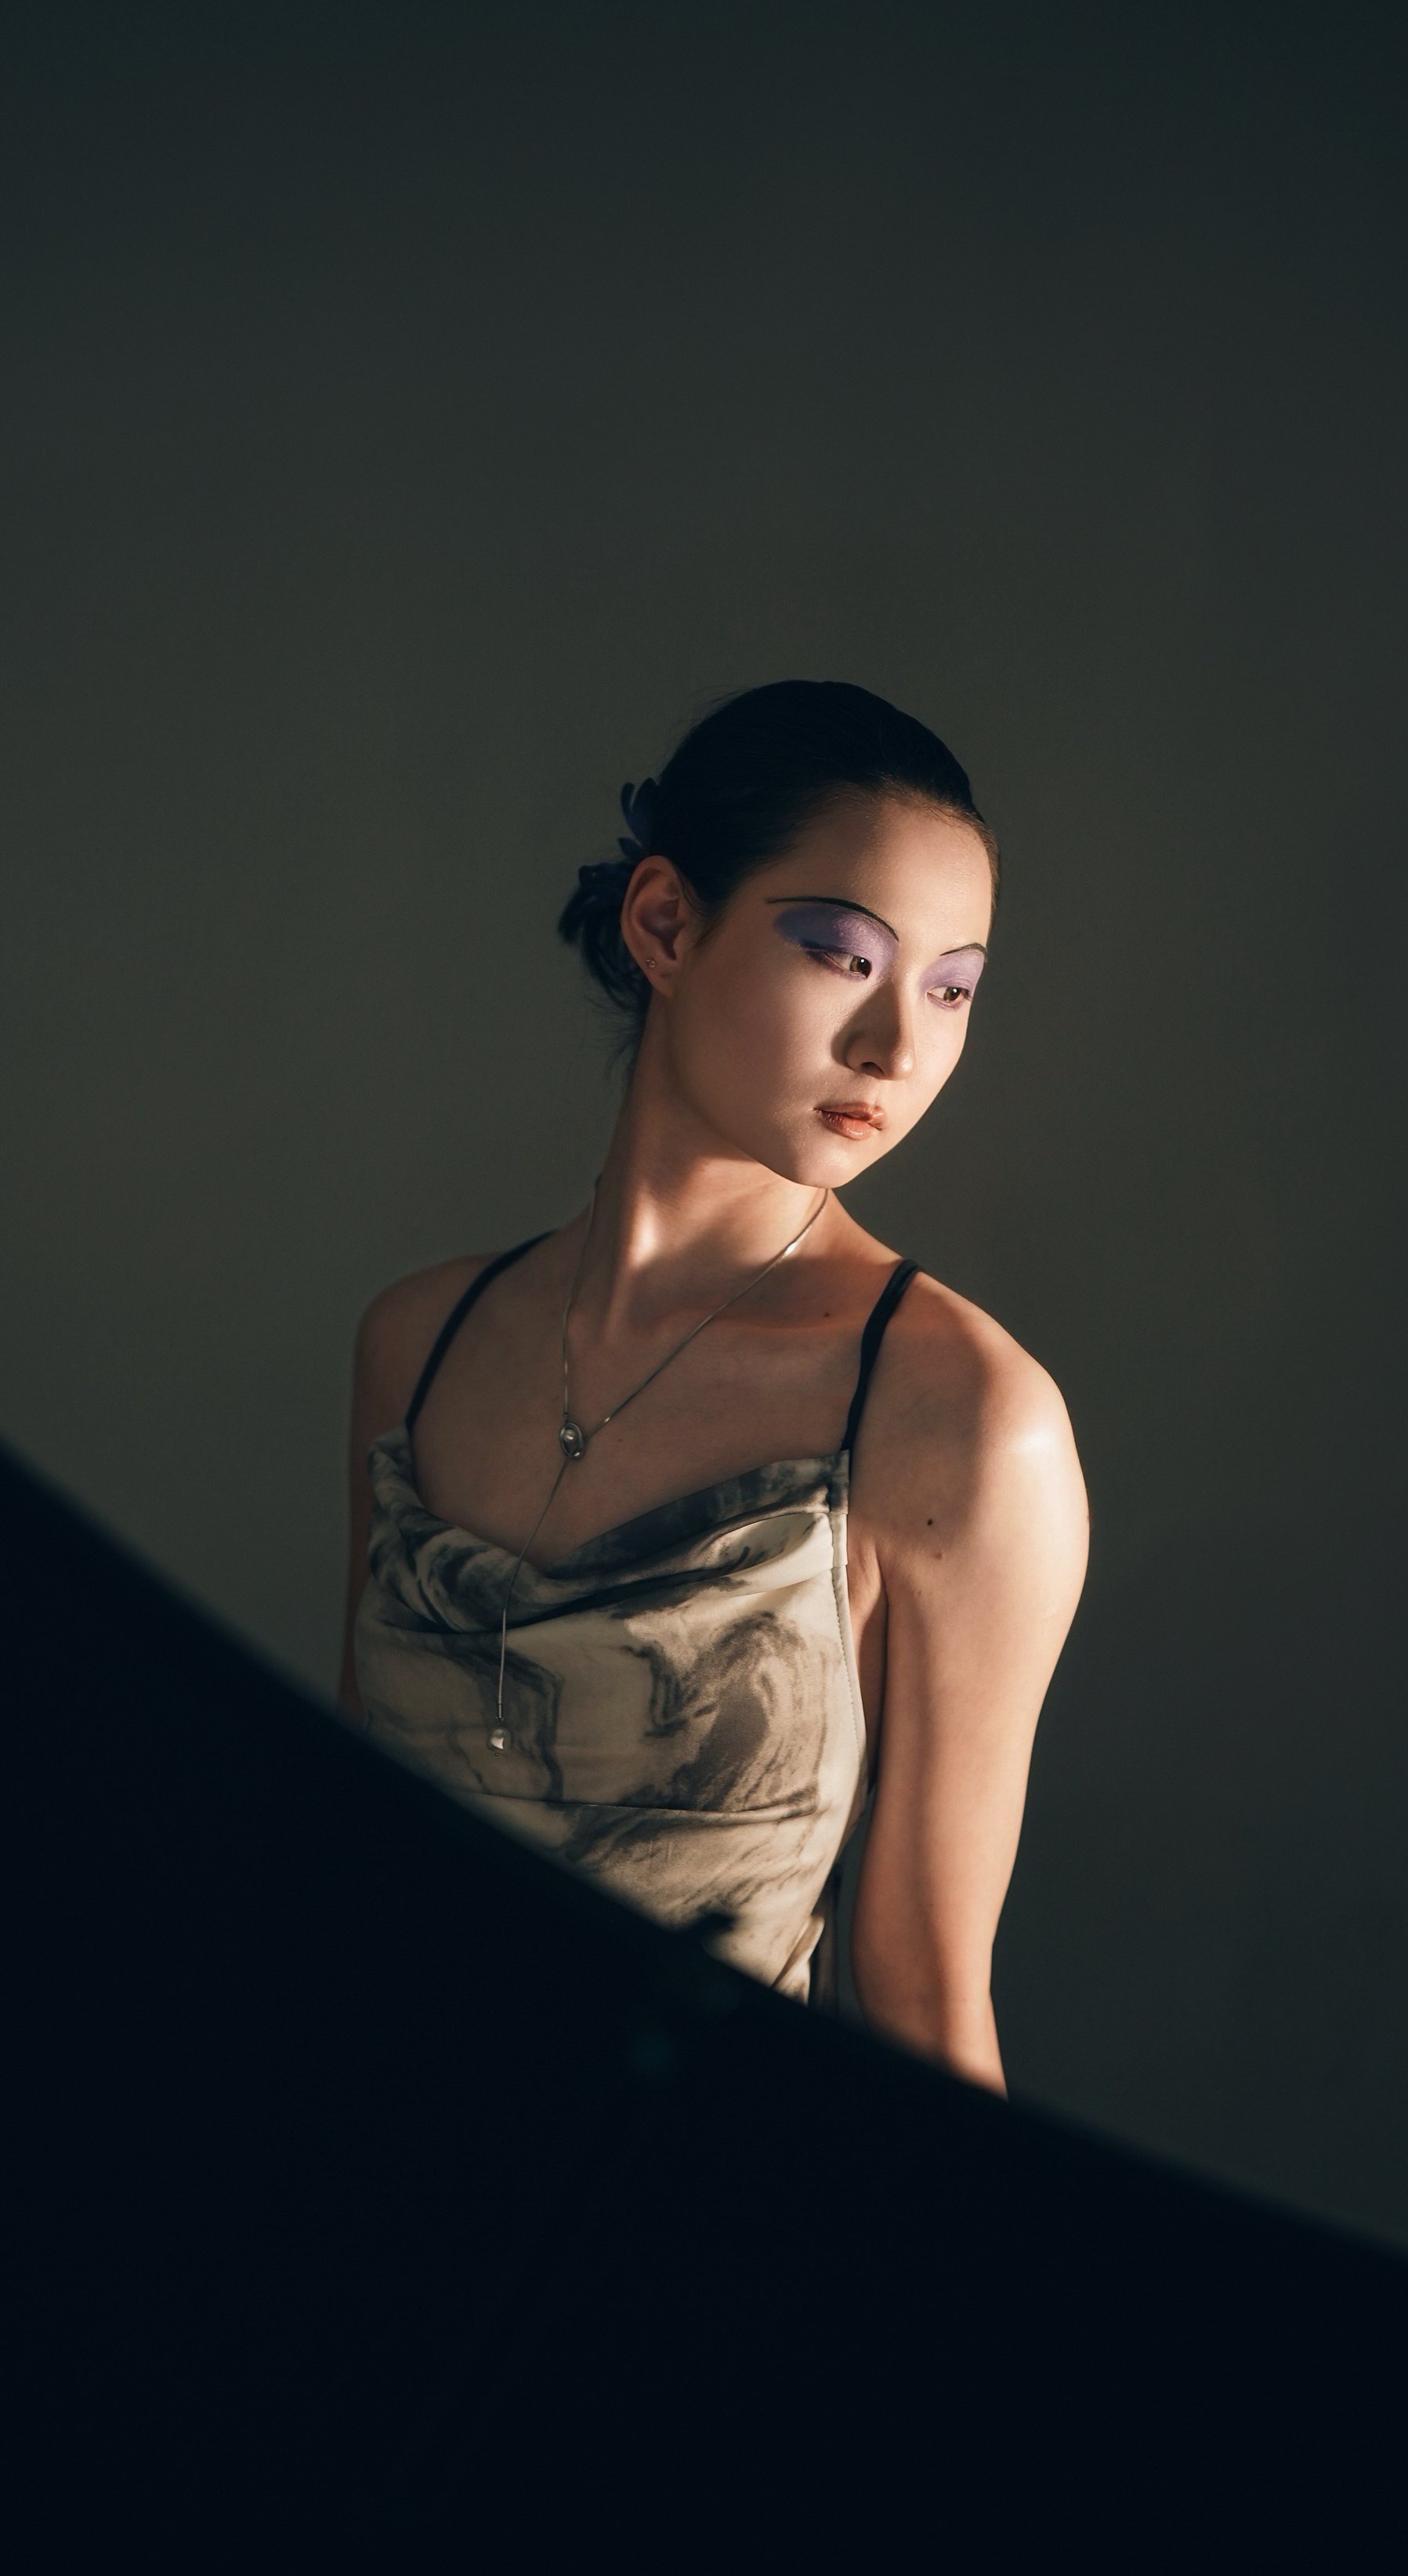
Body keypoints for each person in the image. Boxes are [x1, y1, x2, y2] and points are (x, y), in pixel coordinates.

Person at [338, 680, 1088, 2092]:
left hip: (693, 2245)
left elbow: (923, 1997)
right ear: (665, 924)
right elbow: (341, 1849)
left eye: (950, 988)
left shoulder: (962, 1420)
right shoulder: (418, 1341)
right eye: (841, 956)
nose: (898, 1049)